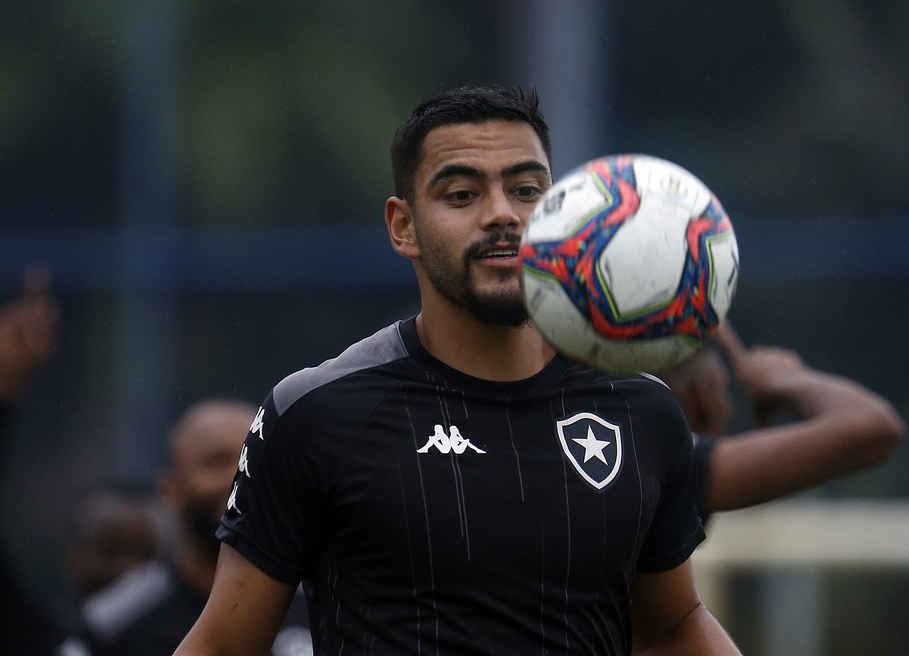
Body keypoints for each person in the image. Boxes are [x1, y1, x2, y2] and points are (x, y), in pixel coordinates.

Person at [175, 85, 739, 655]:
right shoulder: (318, 413)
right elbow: (224, 645)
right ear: (404, 227)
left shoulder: (641, 410)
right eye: (462, 194)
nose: (502, 215)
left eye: (527, 190)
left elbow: (673, 625)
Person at [0, 269, 163, 656]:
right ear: (69, 558)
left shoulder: (195, 642)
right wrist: (0, 386)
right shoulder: (31, 639)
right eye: (107, 550)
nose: (127, 571)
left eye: (146, 556)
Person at [89, 399, 312, 656]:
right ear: (171, 490)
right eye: (217, 461)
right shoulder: (114, 626)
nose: (239, 475)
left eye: (253, 458)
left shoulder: (322, 600)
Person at [661, 323, 905, 525]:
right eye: (724, 388)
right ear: (704, 397)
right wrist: (787, 378)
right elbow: (874, 428)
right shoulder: (673, 469)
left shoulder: (630, 444)